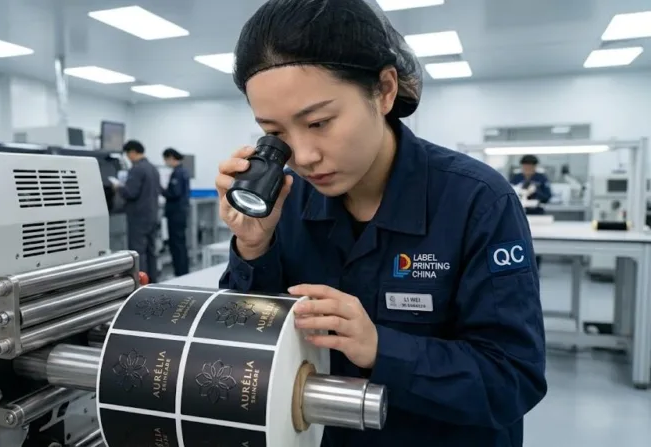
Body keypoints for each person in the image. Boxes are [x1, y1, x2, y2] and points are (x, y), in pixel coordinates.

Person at [215, 1, 547, 446]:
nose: (305, 156)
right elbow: (243, 354)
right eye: (277, 134)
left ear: (384, 90)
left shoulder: (477, 201)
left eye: (318, 122)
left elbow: (512, 379)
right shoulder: (286, 204)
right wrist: (254, 248)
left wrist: (380, 348)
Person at [117, 140, 161, 282]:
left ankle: (141, 283)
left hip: (138, 217)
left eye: (128, 154)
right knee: (151, 251)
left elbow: (131, 192)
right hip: (152, 215)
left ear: (133, 152)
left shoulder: (137, 169)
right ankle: (152, 281)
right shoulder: (153, 168)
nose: (128, 158)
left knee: (138, 252)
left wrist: (117, 187)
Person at [510, 154, 552, 269]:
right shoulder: (516, 178)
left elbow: (548, 196)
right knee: (519, 240)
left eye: (530, 167)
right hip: (519, 214)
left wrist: (536, 191)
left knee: (536, 243)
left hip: (536, 213)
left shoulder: (541, 178)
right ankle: (520, 267)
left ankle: (535, 268)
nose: (527, 169)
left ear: (535, 167)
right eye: (525, 166)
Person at [161, 148, 191, 276]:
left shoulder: (177, 173)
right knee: (180, 244)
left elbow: (175, 193)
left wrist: (161, 190)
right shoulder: (183, 171)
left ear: (171, 158)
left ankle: (180, 272)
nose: (165, 162)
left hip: (176, 214)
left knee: (176, 244)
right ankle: (182, 270)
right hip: (181, 212)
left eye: (166, 159)